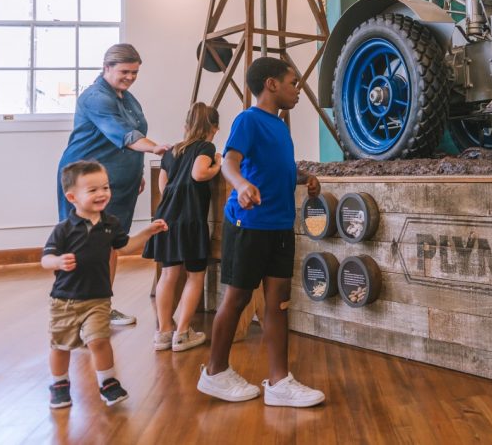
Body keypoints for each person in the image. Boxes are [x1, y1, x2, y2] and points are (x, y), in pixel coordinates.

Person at [197, 57, 324, 407]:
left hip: (281, 225)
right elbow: (229, 162)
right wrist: (240, 186)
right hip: (249, 226)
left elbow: (276, 166)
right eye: (293, 82)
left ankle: (279, 382)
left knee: (279, 304)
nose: (297, 90)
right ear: (271, 84)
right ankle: (215, 372)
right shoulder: (248, 120)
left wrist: (303, 178)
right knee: (237, 299)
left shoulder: (280, 126)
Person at [56, 44, 170, 327]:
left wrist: (136, 172)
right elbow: (125, 135)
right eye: (124, 71)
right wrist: (157, 149)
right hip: (87, 182)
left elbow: (132, 137)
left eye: (135, 72)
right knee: (86, 247)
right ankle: (78, 314)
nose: (130, 77)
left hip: (119, 181)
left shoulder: (129, 99)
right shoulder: (95, 98)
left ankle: (101, 307)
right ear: (106, 68)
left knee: (109, 246)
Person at [43, 160, 168, 409]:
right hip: (65, 300)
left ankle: (108, 382)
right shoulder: (64, 230)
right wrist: (57, 260)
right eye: (93, 190)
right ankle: (59, 384)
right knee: (61, 344)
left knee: (100, 340)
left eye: (105, 187)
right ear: (72, 197)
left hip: (98, 298)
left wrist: (148, 232)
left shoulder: (110, 224)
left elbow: (126, 246)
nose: (102, 194)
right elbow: (45, 259)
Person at [144, 102, 222, 352]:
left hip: (167, 218)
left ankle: (163, 331)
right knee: (195, 275)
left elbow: (163, 187)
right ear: (214, 128)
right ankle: (182, 333)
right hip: (191, 220)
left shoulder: (171, 151)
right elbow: (199, 174)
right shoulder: (206, 147)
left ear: (186, 126)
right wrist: (217, 164)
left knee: (168, 275)